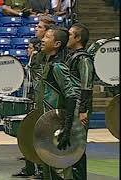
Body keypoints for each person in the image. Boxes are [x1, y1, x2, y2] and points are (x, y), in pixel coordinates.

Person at [12, 15, 56, 178]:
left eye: (39, 27)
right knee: (30, 132)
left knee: (44, 135)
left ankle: (44, 170)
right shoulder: (38, 55)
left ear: (48, 31)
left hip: (46, 100)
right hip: (34, 97)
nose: (36, 29)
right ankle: (32, 167)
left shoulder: (50, 55)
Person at [40, 26, 80, 180]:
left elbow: (71, 96)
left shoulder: (58, 66)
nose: (42, 40)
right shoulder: (49, 63)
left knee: (60, 170)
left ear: (57, 44)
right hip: (49, 123)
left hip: (57, 124)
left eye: (47, 37)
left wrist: (66, 127)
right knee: (49, 169)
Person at [65, 23, 94, 180]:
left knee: (78, 145)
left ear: (78, 38)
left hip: (80, 107)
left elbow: (87, 86)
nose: (67, 37)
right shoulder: (72, 56)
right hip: (72, 105)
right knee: (71, 143)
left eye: (70, 35)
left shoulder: (84, 59)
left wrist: (83, 110)